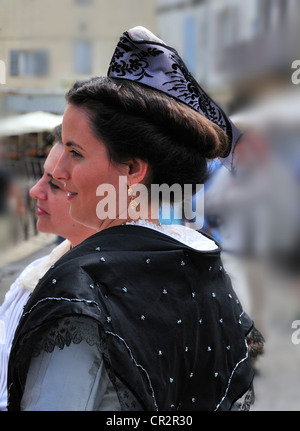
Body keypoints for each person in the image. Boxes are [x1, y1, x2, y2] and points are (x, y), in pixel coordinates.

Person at [8, 27, 258, 411]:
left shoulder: (80, 282)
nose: (58, 170)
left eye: (75, 151)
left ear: (132, 170)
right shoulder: (209, 271)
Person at [0, 128, 95, 410]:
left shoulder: (80, 294)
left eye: (56, 184)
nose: (34, 191)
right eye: (42, 177)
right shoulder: (37, 271)